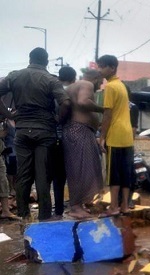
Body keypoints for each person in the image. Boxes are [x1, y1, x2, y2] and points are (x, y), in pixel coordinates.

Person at [0, 48, 71, 221]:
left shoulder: (14, 76)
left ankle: (24, 216)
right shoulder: (50, 80)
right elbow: (66, 103)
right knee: (43, 176)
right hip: (45, 132)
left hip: (22, 131)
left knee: (23, 175)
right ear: (46, 61)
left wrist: (9, 115)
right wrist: (57, 120)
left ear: (30, 59)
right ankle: (44, 217)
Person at [63, 70, 105, 219]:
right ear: (96, 78)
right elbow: (83, 101)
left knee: (80, 170)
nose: (100, 85)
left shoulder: (72, 87)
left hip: (76, 131)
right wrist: (103, 109)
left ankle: (80, 205)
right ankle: (75, 207)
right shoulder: (86, 84)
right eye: (100, 81)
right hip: (79, 131)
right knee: (82, 171)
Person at [96, 55, 134, 217]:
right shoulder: (122, 86)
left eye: (103, 66)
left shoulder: (110, 87)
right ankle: (124, 206)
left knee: (114, 174)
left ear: (112, 68)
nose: (100, 69)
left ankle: (113, 207)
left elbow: (107, 114)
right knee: (126, 173)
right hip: (127, 136)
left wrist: (102, 137)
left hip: (115, 135)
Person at [53, 66, 77, 218]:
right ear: (74, 78)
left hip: (52, 138)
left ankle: (58, 209)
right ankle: (76, 206)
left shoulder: (52, 90)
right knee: (74, 174)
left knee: (57, 177)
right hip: (71, 137)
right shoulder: (73, 91)